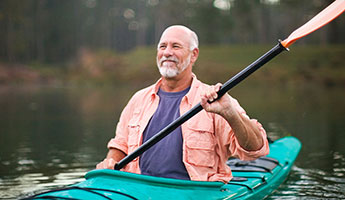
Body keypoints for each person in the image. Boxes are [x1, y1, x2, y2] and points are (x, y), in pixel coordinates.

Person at [96, 25, 269, 183]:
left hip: (194, 192)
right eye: (162, 46)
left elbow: (255, 150)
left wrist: (230, 113)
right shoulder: (138, 99)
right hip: (139, 189)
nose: (167, 52)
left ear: (194, 54)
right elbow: (120, 146)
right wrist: (111, 162)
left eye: (176, 46)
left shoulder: (217, 100)